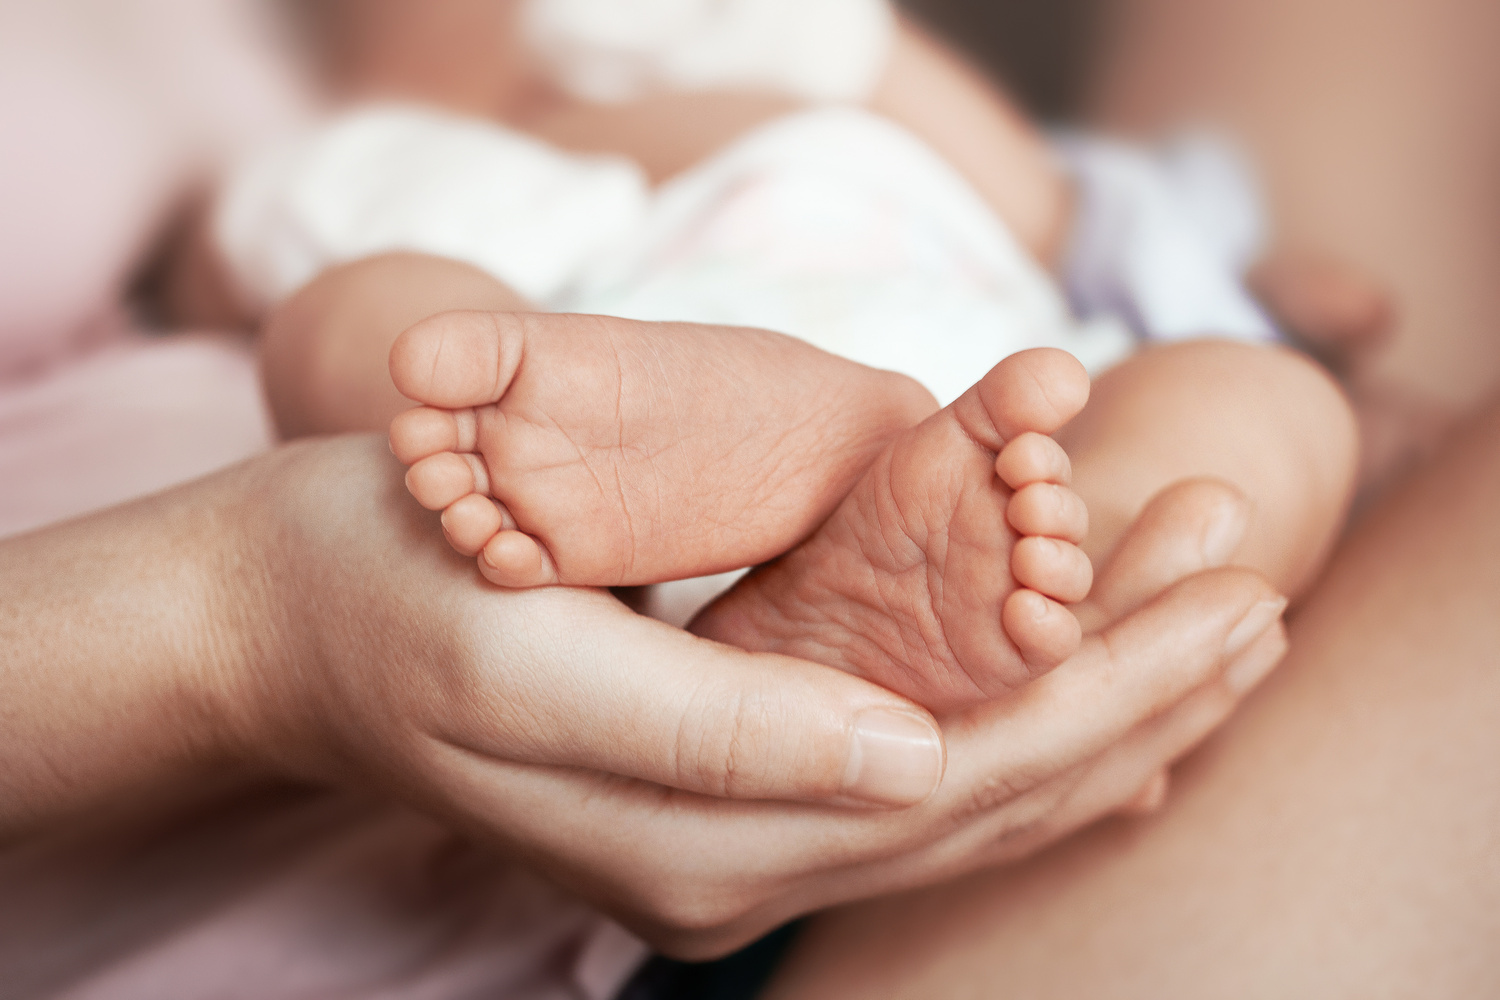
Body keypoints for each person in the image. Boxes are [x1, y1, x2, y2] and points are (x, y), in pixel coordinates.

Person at [0, 1, 1291, 996]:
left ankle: (1057, 567)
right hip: (644, 332)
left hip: (985, 378)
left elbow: (1076, 212)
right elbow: (248, 275)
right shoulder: (414, 156)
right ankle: (651, 519)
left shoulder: (802, 68)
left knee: (1247, 395)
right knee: (382, 314)